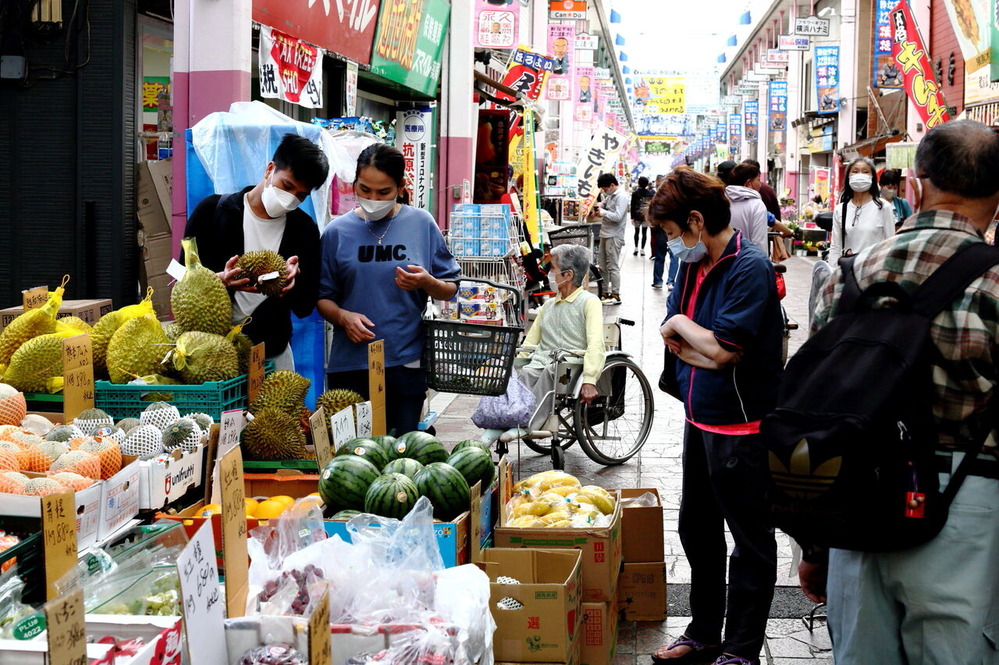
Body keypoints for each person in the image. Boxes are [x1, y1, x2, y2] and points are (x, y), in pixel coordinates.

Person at [798, 119, 999, 665]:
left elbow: (815, 409)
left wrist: (817, 544)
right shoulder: (994, 280)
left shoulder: (847, 274)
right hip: (969, 507)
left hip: (857, 501)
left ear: (916, 181)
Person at [649, 167, 783, 665]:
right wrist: (697, 343)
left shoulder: (750, 267)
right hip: (699, 414)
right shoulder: (694, 262)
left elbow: (721, 349)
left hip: (742, 424)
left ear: (696, 221)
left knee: (749, 540)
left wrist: (686, 327)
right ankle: (704, 631)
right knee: (696, 529)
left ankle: (743, 648)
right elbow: (693, 346)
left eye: (669, 233)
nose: (669, 245)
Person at [317, 144, 460, 435]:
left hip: (405, 360)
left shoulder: (421, 224)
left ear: (400, 187)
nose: (372, 199)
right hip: (350, 364)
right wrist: (343, 317)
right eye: (365, 189)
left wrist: (427, 282)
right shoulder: (336, 232)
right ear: (355, 183)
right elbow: (322, 297)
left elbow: (451, 288)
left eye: (383, 192)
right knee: (354, 459)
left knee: (402, 455)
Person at [184, 132, 329, 371]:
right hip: (208, 353)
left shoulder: (304, 230)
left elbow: (305, 306)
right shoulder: (210, 212)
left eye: (300, 195)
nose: (289, 199)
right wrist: (216, 280)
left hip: (273, 351)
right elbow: (181, 276)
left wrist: (294, 280)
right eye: (287, 186)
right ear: (269, 169)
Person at [520, 244, 604, 417]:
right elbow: (530, 343)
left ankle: (528, 421)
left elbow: (596, 342)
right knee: (526, 372)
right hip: (543, 363)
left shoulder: (589, 302)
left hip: (569, 366)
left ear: (568, 275)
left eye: (552, 268)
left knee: (550, 372)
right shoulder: (548, 306)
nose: (549, 274)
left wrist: (590, 380)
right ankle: (513, 416)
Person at [829, 156, 895, 258]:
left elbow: (890, 244)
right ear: (848, 177)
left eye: (865, 172)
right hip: (848, 269)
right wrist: (833, 271)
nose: (860, 175)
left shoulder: (883, 207)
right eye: (855, 171)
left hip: (873, 269)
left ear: (872, 177)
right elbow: (835, 247)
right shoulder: (840, 209)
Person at [594, 173, 629, 305]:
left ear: (612, 185)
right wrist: (600, 205)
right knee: (602, 265)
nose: (604, 191)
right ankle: (604, 292)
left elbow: (618, 216)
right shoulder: (611, 195)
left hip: (614, 235)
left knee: (613, 266)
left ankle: (616, 294)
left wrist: (603, 213)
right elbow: (604, 203)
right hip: (605, 233)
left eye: (605, 189)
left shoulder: (621, 196)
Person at [724, 163, 769, 251]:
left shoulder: (721, 200)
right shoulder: (756, 205)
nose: (760, 184)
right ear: (748, 183)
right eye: (758, 180)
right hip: (747, 261)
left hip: (722, 259)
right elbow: (759, 242)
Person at [631, 176, 654, 256]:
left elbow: (632, 205)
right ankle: (642, 250)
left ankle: (636, 248)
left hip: (637, 216)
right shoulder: (650, 193)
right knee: (644, 233)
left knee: (636, 232)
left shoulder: (635, 193)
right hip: (645, 216)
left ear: (639, 183)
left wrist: (632, 217)